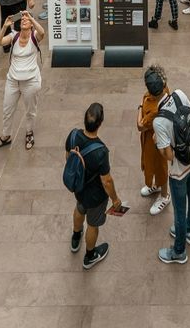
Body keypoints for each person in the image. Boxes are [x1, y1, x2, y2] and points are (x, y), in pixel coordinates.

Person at [64, 102, 123, 270]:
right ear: (100, 123)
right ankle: (90, 256)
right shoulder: (101, 151)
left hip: (78, 187)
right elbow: (107, 181)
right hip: (95, 196)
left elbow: (68, 157)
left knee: (79, 209)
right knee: (92, 224)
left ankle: (76, 237)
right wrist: (115, 199)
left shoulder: (74, 135)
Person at [154, 85, 190, 264]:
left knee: (179, 211)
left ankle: (179, 251)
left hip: (178, 171)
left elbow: (168, 155)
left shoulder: (158, 121)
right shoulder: (180, 94)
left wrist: (158, 141)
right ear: (164, 86)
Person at [0, 10, 45, 151]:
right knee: (7, 109)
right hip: (13, 80)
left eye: (26, 20)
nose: (23, 21)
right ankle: (6, 136)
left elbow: (42, 33)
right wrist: (5, 26)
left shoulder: (34, 36)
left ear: (31, 24)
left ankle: (29, 132)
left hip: (31, 81)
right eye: (22, 20)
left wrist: (32, 18)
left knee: (30, 110)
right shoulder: (13, 36)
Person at [137, 65, 170, 215]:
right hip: (152, 139)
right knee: (154, 164)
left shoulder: (154, 109)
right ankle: (155, 185)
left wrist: (139, 108)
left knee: (161, 166)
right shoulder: (165, 90)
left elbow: (140, 126)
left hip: (156, 139)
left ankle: (164, 196)